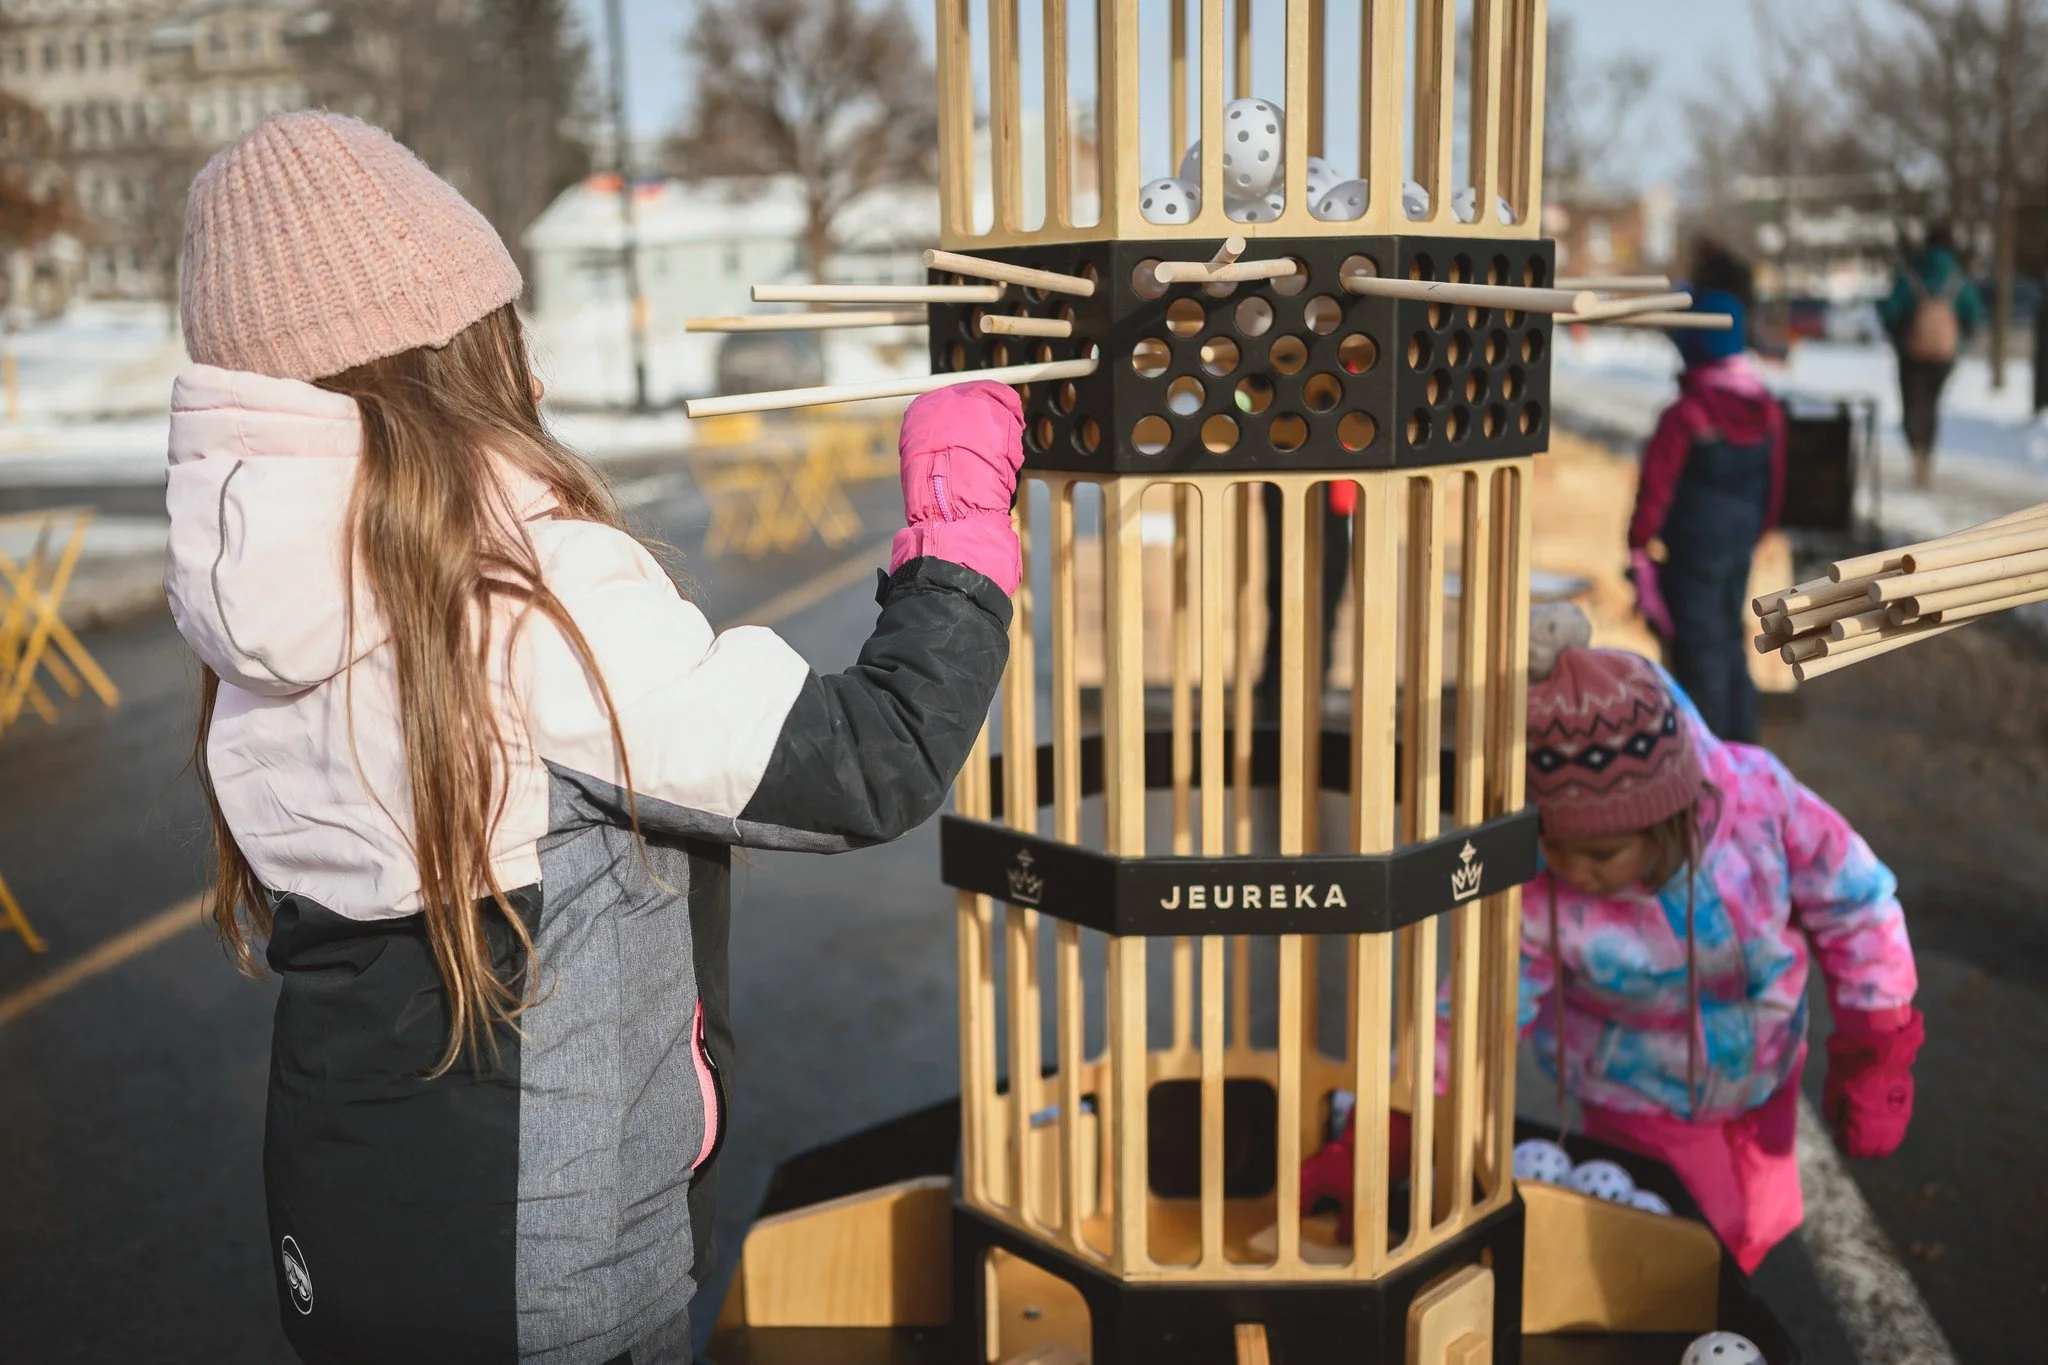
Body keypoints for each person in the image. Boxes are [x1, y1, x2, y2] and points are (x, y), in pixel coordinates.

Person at [167, 112, 1018, 1362]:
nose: (538, 376)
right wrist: (958, 528)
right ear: (453, 363)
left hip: (341, 1238)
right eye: (500, 333)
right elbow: (868, 759)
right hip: (542, 1273)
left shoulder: (266, 598)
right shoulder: (525, 606)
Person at [1301, 608, 1923, 1275]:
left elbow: (1855, 899)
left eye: (1601, 850)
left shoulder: (1763, 803)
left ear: (1667, 814)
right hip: (1639, 1097)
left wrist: (1875, 1043)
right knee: (1686, 1251)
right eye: (1553, 844)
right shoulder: (1542, 895)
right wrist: (1390, 1128)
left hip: (1765, 1073)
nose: (1574, 869)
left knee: (1758, 1222)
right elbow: (1473, 1018)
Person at [1627, 290, 1784, 745]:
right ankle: (1744, 747)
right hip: (1737, 549)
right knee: (1731, 644)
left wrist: (1639, 542)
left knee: (1700, 655)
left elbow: (1656, 488)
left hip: (1692, 554)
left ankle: (1710, 762)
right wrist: (1756, 532)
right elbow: (1775, 487)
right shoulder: (1767, 409)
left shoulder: (1685, 415)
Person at [1878, 223, 1986, 488]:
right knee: (1931, 405)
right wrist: (1957, 344)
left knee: (1913, 404)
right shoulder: (1958, 277)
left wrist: (1899, 334)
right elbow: (1975, 316)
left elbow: (1891, 310)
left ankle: (1916, 449)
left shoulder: (1912, 274)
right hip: (1943, 356)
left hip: (1911, 353)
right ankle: (1927, 451)